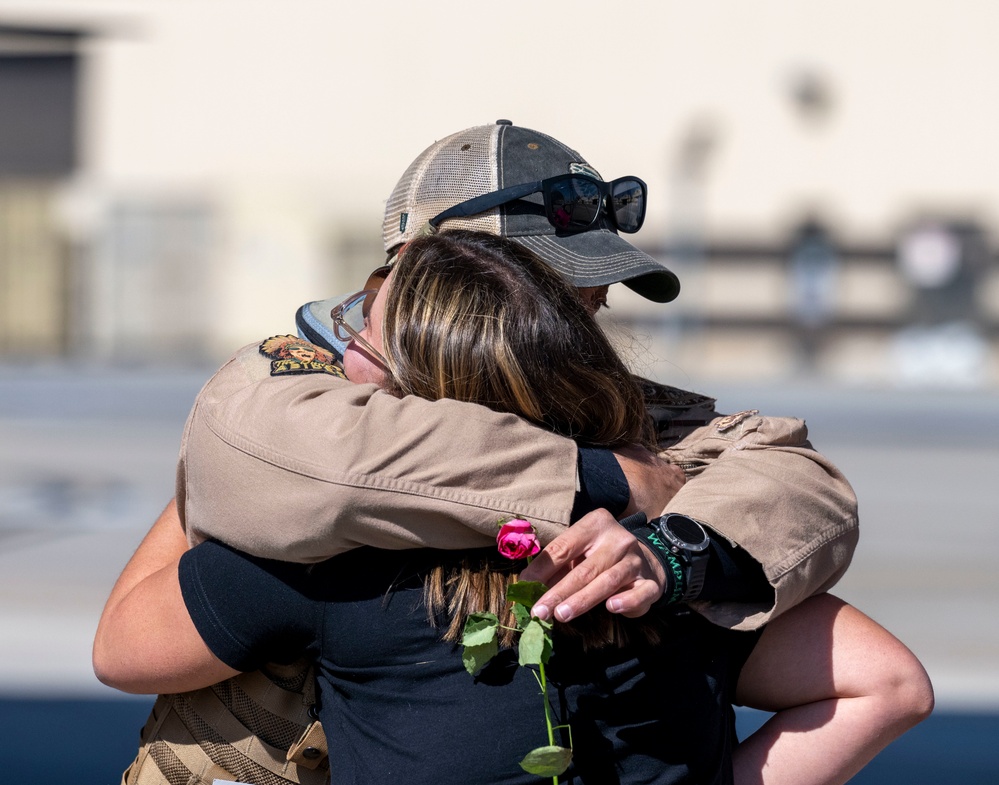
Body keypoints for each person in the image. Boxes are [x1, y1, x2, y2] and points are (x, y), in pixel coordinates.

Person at [96, 122, 930, 784]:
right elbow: (881, 680)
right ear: (422, 279)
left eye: (590, 303)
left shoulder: (331, 545)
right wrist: (620, 495)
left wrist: (671, 546)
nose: (580, 329)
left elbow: (783, 468)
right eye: (560, 296)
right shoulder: (294, 412)